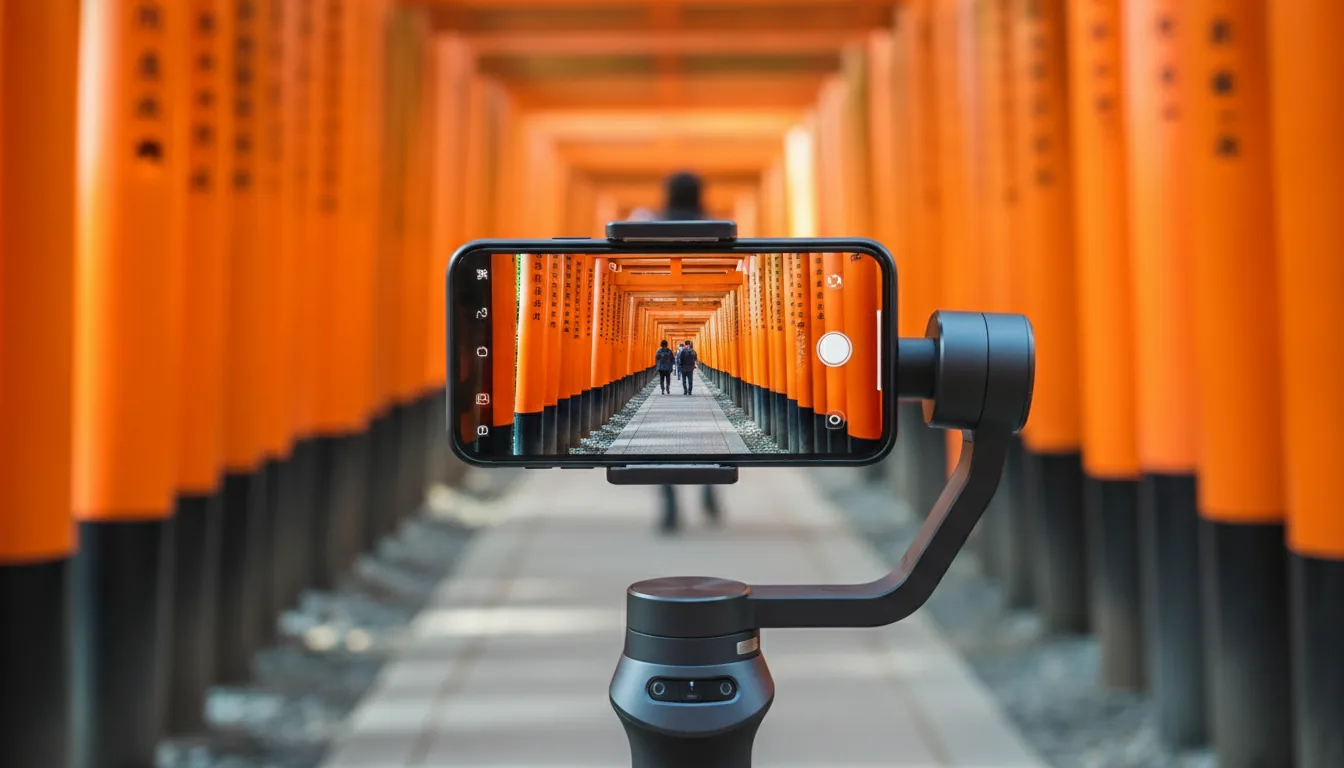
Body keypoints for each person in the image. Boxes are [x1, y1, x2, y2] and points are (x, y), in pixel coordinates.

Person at [653, 171, 722, 533]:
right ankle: (710, 485)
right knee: (704, 426)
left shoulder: (649, 228)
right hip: (704, 306)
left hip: (661, 308)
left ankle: (668, 504)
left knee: (663, 433)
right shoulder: (717, 227)